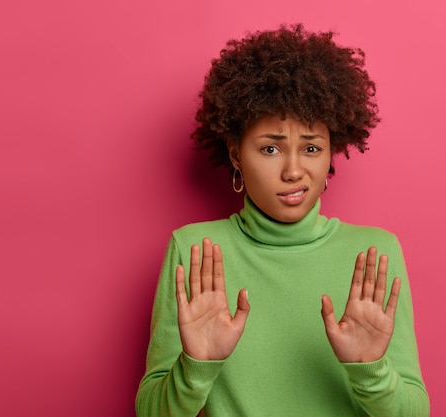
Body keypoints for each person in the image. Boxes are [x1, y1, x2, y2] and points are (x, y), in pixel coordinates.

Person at [136, 24, 429, 416]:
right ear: (236, 154)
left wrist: (369, 371)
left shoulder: (373, 253)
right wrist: (196, 369)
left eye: (311, 148)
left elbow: (415, 411)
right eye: (270, 148)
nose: (294, 171)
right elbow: (151, 411)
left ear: (330, 153)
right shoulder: (196, 251)